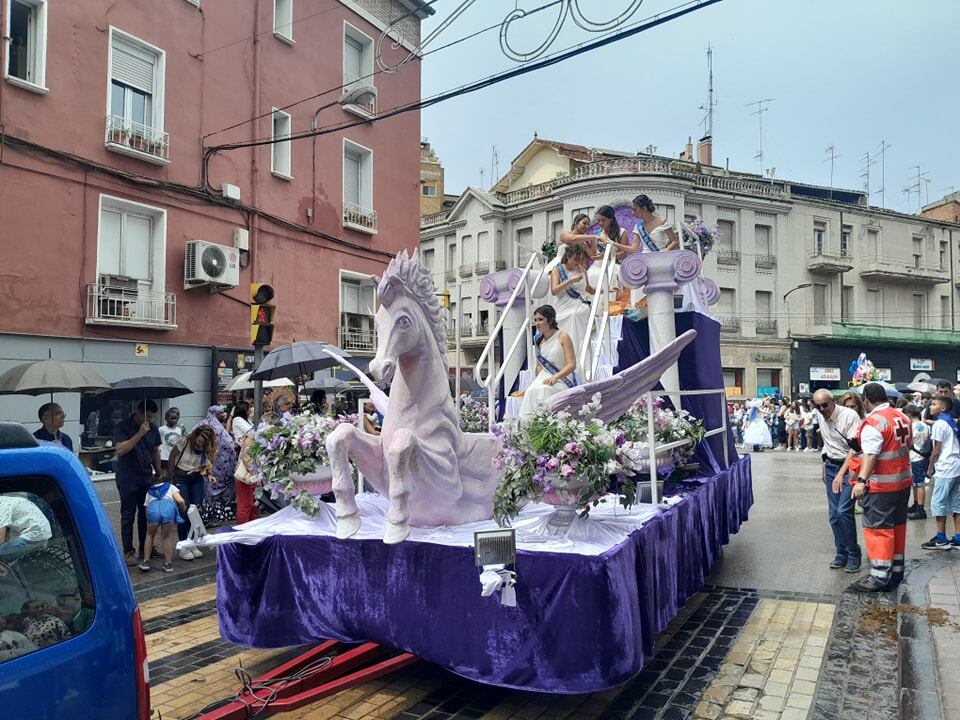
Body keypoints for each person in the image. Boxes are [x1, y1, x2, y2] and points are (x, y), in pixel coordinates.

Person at [850, 382, 912, 592]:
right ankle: (896, 572)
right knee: (897, 528)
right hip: (903, 483)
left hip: (881, 486)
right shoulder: (901, 416)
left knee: (879, 530)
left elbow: (871, 454)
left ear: (866, 399)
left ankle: (878, 577)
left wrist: (860, 481)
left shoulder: (874, 422)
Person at [812, 389, 862, 573]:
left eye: (825, 405)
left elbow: (855, 449)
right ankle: (841, 552)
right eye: (818, 406)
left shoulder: (849, 416)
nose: (822, 409)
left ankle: (854, 553)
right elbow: (828, 444)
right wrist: (824, 467)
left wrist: (842, 473)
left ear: (833, 402)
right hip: (832, 465)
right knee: (834, 514)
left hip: (851, 467)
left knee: (843, 511)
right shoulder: (820, 415)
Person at [113, 400, 162, 566]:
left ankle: (145, 548)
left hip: (146, 476)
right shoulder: (123, 427)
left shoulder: (153, 428)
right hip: (127, 476)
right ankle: (128, 551)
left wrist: (158, 470)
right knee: (128, 514)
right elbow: (120, 449)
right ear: (138, 413)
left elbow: (155, 450)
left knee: (145, 514)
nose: (150, 419)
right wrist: (139, 434)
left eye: (152, 416)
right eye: (147, 416)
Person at [168, 425, 217, 560]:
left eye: (203, 443)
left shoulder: (206, 448)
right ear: (195, 436)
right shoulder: (184, 441)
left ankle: (193, 542)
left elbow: (206, 464)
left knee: (195, 510)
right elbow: (172, 457)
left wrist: (209, 475)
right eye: (199, 441)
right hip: (181, 477)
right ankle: (184, 545)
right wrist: (172, 477)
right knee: (184, 509)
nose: (199, 444)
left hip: (196, 477)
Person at [519, 305, 577, 416]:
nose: (537, 323)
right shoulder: (538, 340)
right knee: (531, 391)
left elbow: (572, 365)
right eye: (535, 320)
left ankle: (546, 425)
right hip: (544, 377)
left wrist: (556, 376)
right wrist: (535, 383)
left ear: (550, 320)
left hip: (562, 378)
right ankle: (527, 427)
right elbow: (539, 366)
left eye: (541, 319)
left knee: (545, 390)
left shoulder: (563, 336)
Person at [921, 395, 960, 550]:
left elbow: (936, 450)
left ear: (943, 408)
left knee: (938, 503)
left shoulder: (939, 424)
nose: (930, 407)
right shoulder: (952, 422)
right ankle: (958, 538)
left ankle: (941, 538)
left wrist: (930, 467)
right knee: (956, 502)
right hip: (956, 465)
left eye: (934, 404)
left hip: (945, 467)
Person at [550, 244, 596, 359]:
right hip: (563, 304)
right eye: (575, 259)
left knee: (576, 314)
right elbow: (554, 291)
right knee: (570, 315)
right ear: (568, 257)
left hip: (580, 304)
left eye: (580, 259)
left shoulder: (582, 270)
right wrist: (569, 281)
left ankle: (578, 354)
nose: (577, 262)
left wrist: (606, 290)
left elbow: (589, 289)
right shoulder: (557, 269)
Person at [196, 405, 239, 526]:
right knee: (210, 488)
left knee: (214, 488)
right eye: (221, 413)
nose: (223, 415)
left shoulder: (212, 425)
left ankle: (213, 516)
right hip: (212, 464)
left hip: (220, 466)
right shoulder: (208, 426)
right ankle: (211, 516)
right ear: (214, 413)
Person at [139, 474, 186, 573]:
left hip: (153, 510)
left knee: (150, 534)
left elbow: (146, 508)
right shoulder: (171, 487)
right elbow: (180, 500)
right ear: (162, 479)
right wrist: (182, 507)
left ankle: (146, 562)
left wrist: (149, 518)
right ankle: (168, 564)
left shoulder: (149, 490)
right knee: (166, 537)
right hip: (168, 509)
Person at [902, 404, 932, 520]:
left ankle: (920, 509)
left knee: (919, 484)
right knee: (916, 483)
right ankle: (916, 504)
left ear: (908, 415)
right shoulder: (925, 425)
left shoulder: (911, 427)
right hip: (923, 456)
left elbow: (908, 443)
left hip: (915, 457)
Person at [234, 429, 260, 524]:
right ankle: (243, 530)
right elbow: (245, 457)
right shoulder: (251, 437)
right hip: (247, 476)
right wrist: (253, 473)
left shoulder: (252, 436)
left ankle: (251, 529)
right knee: (247, 505)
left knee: (253, 505)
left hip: (252, 475)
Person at [159, 407, 185, 474]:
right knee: (163, 475)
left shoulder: (179, 430)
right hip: (163, 457)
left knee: (172, 475)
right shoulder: (161, 429)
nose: (174, 420)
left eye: (175, 418)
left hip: (174, 457)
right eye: (171, 418)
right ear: (166, 419)